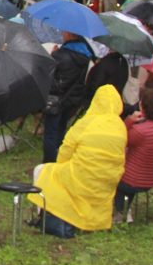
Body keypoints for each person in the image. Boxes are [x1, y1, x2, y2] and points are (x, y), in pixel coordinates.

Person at [28, 85, 127, 238]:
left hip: (81, 177)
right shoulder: (120, 128)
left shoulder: (86, 123)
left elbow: (65, 151)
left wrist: (59, 167)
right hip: (107, 181)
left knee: (41, 171)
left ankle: (45, 216)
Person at [113, 82, 153, 222]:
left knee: (117, 179)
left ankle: (121, 213)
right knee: (132, 175)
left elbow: (120, 140)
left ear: (142, 107)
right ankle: (126, 209)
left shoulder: (139, 131)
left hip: (133, 179)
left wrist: (128, 121)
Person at [43, 31, 94, 163]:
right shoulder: (86, 56)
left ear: (70, 34)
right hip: (72, 99)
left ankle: (49, 163)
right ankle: (60, 158)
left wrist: (51, 56)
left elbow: (50, 77)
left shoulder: (60, 55)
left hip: (56, 99)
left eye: (64, 32)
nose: (62, 34)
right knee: (61, 128)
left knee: (50, 133)